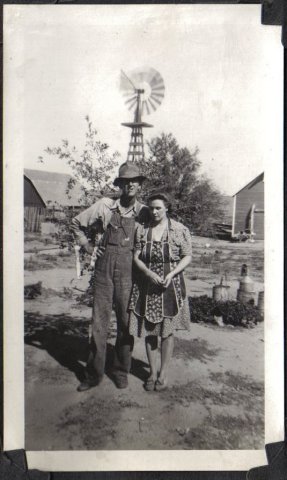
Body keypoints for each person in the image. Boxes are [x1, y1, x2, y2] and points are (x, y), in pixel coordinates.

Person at [71, 162, 149, 391]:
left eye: (134, 181)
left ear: (139, 185)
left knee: (126, 323)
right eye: (126, 182)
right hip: (104, 270)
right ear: (120, 185)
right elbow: (76, 223)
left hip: (129, 272)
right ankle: (93, 374)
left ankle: (121, 370)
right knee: (99, 322)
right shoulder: (106, 206)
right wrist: (88, 246)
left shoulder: (144, 212)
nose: (130, 185)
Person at [128, 193, 192, 391]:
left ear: (167, 209)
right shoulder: (142, 229)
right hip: (146, 286)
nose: (154, 212)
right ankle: (151, 372)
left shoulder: (179, 229)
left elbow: (187, 256)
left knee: (166, 331)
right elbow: (136, 256)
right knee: (149, 331)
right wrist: (147, 273)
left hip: (169, 286)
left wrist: (172, 274)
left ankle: (163, 374)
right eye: (152, 208)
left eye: (158, 208)